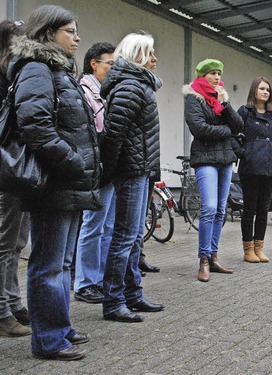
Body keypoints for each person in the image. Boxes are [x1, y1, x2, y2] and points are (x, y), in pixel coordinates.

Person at [8, 5, 102, 360]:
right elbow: (35, 126)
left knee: (62, 263)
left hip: (69, 183)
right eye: (69, 31)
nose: (77, 38)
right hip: (53, 183)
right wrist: (73, 163)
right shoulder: (37, 68)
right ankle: (47, 339)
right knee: (47, 264)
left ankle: (60, 328)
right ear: (48, 33)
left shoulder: (59, 70)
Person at [100, 31, 164, 323]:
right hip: (130, 172)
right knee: (124, 238)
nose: (154, 59)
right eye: (149, 53)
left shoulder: (139, 86)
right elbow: (114, 137)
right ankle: (114, 302)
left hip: (141, 171)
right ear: (136, 56)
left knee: (133, 237)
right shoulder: (129, 87)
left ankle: (133, 295)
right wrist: (108, 174)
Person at [183, 59, 243, 281]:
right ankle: (204, 260)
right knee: (208, 208)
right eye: (212, 73)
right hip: (205, 159)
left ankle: (214, 257)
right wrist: (226, 131)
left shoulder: (221, 97)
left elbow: (239, 126)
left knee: (220, 210)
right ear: (202, 75)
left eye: (219, 73)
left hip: (226, 159)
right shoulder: (193, 97)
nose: (217, 77)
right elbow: (198, 129)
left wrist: (224, 105)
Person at [73, 42, 116, 304]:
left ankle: (98, 279)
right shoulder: (85, 91)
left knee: (107, 226)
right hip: (95, 168)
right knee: (93, 225)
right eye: (109, 63)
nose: (112, 68)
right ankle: (85, 283)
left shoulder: (105, 91)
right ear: (94, 63)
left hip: (109, 168)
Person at [0, 19, 31, 338]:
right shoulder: (6, 79)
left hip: (19, 167)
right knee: (5, 242)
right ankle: (2, 312)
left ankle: (12, 303)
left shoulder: (15, 77)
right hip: (8, 167)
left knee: (17, 242)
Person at [236, 77, 272, 263]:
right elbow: (233, 135)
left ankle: (259, 247)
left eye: (268, 90)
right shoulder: (245, 111)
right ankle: (248, 249)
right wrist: (244, 153)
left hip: (269, 166)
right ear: (254, 90)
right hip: (250, 167)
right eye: (262, 89)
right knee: (250, 208)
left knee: (263, 208)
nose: (266, 92)